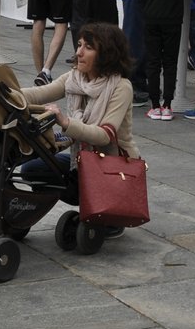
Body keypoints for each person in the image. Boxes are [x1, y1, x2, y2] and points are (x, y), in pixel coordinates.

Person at [18, 21, 139, 238]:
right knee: (32, 169)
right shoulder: (75, 78)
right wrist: (3, 91)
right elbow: (38, 94)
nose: (79, 52)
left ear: (107, 54)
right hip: (83, 160)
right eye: (79, 45)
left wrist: (65, 122)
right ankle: (89, 206)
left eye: (88, 48)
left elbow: (104, 135)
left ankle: (110, 212)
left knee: (46, 168)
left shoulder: (121, 87)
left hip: (112, 167)